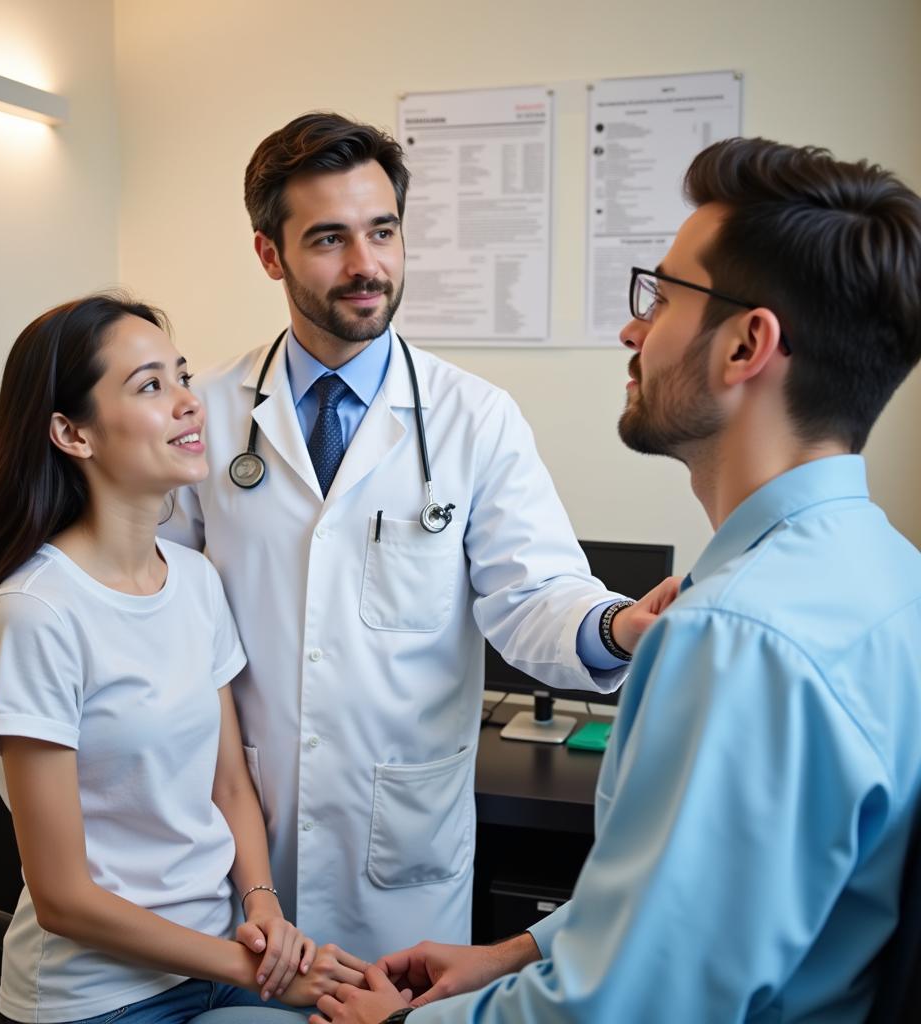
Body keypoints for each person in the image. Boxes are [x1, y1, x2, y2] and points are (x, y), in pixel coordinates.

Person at [314, 137, 921, 1023]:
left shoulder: (733, 636)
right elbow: (712, 910)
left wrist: (400, 1023)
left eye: (662, 297)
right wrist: (521, 951)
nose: (633, 328)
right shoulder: (888, 573)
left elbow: (625, 1008)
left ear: (747, 344)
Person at [160, 112, 677, 962]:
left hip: (397, 853)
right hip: (231, 839)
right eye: (329, 239)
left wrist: (615, 626)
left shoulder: (474, 418)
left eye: (383, 232)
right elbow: (158, 606)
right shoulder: (205, 414)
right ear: (269, 254)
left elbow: (534, 591)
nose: (366, 265)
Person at [0, 295, 366, 1023]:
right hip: (98, 996)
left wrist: (263, 911)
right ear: (71, 433)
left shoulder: (195, 580)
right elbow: (64, 898)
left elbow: (230, 785)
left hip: (217, 957)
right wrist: (258, 972)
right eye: (150, 386)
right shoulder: (38, 612)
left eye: (181, 377)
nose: (189, 404)